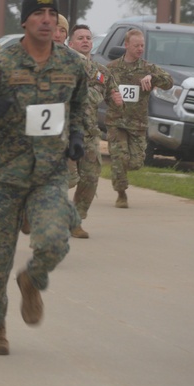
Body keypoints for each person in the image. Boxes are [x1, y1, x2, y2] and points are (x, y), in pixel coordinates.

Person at [0, 0, 87, 356]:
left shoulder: (71, 64)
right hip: (6, 177)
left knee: (54, 241)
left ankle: (32, 279)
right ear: (25, 21)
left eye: (51, 14)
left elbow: (80, 105)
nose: (46, 20)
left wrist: (77, 135)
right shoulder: (1, 64)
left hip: (49, 174)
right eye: (38, 14)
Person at [104, 28, 172, 208]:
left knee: (135, 163)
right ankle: (121, 193)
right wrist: (110, 95)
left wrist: (153, 78)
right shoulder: (112, 68)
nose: (140, 49)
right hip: (116, 121)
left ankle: (121, 171)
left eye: (142, 45)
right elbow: (100, 89)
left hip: (137, 123)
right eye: (136, 46)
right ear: (126, 45)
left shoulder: (147, 68)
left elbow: (169, 82)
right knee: (119, 157)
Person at [67, 24, 118, 237]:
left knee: (90, 178)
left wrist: (117, 100)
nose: (86, 41)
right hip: (65, 133)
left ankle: (76, 221)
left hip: (89, 134)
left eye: (88, 38)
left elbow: (113, 94)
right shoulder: (64, 67)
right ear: (71, 43)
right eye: (80, 38)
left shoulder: (101, 72)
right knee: (66, 180)